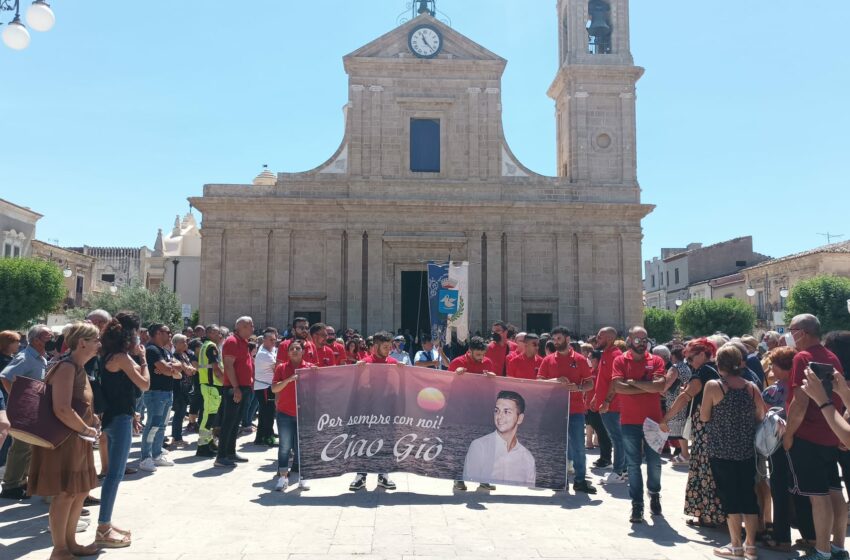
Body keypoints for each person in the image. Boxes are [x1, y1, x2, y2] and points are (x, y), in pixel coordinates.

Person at [27, 322, 100, 559]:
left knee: (79, 491)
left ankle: (71, 543)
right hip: (65, 439)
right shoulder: (67, 367)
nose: (99, 344)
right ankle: (59, 549)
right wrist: (86, 428)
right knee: (66, 493)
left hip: (78, 438)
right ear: (82, 343)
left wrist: (92, 421)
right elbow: (62, 409)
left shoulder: (78, 367)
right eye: (96, 340)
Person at [781, 314, 846, 560]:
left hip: (807, 436)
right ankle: (838, 547)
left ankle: (822, 551)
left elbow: (799, 403)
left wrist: (788, 435)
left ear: (803, 332)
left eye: (791, 330)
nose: (789, 334)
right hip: (830, 433)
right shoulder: (832, 357)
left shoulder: (803, 357)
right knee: (834, 491)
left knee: (818, 497)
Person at [700, 345, 765, 560]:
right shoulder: (751, 387)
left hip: (721, 451)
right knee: (748, 496)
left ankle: (736, 546)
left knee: (730, 499)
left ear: (719, 364)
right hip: (746, 451)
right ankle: (751, 546)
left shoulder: (714, 385)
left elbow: (705, 416)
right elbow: (760, 415)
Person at [97, 313, 150, 548]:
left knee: (112, 474)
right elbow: (145, 384)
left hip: (113, 415)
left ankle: (106, 522)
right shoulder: (122, 357)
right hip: (119, 418)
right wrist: (144, 359)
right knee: (114, 475)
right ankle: (103, 527)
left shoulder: (107, 354)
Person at [661, 337, 725, 528]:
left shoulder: (702, 372)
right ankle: (711, 514)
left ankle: (707, 515)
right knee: (707, 469)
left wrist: (666, 417)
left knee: (704, 470)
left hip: (704, 426)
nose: (688, 360)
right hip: (712, 425)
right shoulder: (710, 370)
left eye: (692, 356)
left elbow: (685, 397)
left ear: (704, 353)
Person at [612, 326, 666, 523]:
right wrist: (646, 387)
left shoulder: (656, 360)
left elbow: (660, 386)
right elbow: (618, 387)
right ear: (629, 340)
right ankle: (637, 504)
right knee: (633, 465)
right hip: (629, 421)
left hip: (653, 421)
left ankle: (654, 493)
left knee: (655, 464)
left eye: (645, 339)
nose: (642, 343)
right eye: (638, 339)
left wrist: (633, 382)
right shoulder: (620, 360)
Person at [538, 326, 596, 494]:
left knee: (578, 446)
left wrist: (577, 387)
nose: (556, 342)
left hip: (575, 410)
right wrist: (555, 381)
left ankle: (580, 480)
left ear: (567, 339)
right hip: (554, 410)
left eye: (559, 339)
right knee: (556, 445)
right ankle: (558, 479)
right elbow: (539, 382)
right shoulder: (547, 360)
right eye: (554, 339)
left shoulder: (579, 359)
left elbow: (590, 383)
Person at [0, 324, 52, 500]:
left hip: (34, 408)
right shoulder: (26, 357)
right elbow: (5, 377)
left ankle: (21, 482)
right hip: (24, 409)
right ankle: (11, 485)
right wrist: (17, 401)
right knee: (20, 447)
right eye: (47, 337)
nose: (51, 340)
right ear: (36, 340)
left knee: (28, 447)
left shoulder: (40, 358)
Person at [350, 331, 400, 491]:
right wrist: (355, 370)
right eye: (385, 347)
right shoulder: (364, 362)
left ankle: (383, 475)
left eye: (390, 346)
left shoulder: (394, 363)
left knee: (386, 442)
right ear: (376, 346)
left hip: (387, 410)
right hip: (367, 410)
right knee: (363, 442)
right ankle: (361, 475)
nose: (388, 350)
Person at [760, 346, 798, 552]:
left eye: (773, 363)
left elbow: (761, 414)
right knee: (802, 490)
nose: (770, 367)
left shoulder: (773, 391)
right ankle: (810, 536)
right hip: (801, 443)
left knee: (780, 491)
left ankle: (782, 538)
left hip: (776, 445)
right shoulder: (800, 387)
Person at [448, 336, 497, 492]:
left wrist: (492, 378)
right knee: (461, 446)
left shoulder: (488, 363)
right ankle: (458, 479)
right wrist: (455, 376)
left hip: (482, 410)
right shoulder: (457, 362)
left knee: (485, 446)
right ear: (469, 351)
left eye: (483, 354)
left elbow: (493, 386)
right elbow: (446, 384)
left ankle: (484, 480)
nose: (481, 358)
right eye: (478, 355)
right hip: (461, 412)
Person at [462, 391, 536, 486]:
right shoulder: (479, 447)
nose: (499, 416)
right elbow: (469, 487)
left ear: (520, 418)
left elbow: (528, 496)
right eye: (497, 411)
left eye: (507, 412)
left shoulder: (527, 458)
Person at [270, 339, 312, 491]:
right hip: (285, 413)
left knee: (301, 446)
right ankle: (283, 477)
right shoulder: (281, 368)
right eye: (292, 348)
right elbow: (274, 389)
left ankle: (303, 477)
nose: (295, 350)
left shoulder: (309, 368)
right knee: (284, 447)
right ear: (288, 352)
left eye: (298, 348)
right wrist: (288, 380)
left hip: (303, 413)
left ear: (303, 351)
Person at [214, 317, 256, 468]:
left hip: (243, 387)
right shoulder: (232, 341)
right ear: (242, 327)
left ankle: (230, 452)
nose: (253, 328)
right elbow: (229, 366)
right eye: (251, 325)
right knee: (228, 422)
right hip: (234, 388)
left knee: (235, 422)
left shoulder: (243, 342)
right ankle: (221, 456)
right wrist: (236, 387)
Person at [139, 324, 181, 472]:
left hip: (167, 392)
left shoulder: (164, 350)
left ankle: (156, 454)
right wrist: (168, 368)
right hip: (155, 393)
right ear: (158, 333)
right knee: (153, 425)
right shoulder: (151, 350)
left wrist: (170, 367)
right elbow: (166, 369)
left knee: (162, 425)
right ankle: (146, 458)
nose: (170, 335)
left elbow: (178, 366)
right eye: (168, 332)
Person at [593, 326, 626, 483]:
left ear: (610, 339)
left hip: (612, 406)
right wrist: (595, 398)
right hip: (607, 405)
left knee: (617, 439)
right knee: (617, 438)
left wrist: (606, 402)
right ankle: (623, 470)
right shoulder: (606, 354)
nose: (596, 339)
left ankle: (619, 471)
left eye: (600, 337)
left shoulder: (615, 355)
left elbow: (615, 381)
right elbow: (603, 379)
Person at [196, 326, 224, 458]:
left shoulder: (205, 345)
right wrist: (225, 381)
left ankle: (209, 442)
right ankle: (203, 446)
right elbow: (216, 368)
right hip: (211, 385)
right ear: (210, 333)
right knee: (209, 416)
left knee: (210, 416)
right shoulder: (211, 346)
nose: (219, 335)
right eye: (217, 332)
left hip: (208, 384)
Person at [661, 344, 691, 463]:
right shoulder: (686, 367)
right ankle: (683, 453)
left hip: (674, 400)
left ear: (673, 356)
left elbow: (666, 385)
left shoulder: (674, 368)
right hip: (683, 399)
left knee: (678, 429)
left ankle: (684, 454)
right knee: (682, 428)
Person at [170, 333, 196, 448]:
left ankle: (178, 436)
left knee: (181, 413)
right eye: (183, 342)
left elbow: (192, 369)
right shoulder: (175, 356)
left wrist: (188, 368)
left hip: (186, 388)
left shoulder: (185, 355)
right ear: (175, 344)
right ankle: (176, 438)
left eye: (186, 341)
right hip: (179, 388)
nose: (186, 344)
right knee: (179, 413)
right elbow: (189, 371)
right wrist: (188, 368)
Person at [0, 330, 21, 472]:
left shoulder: (10, 359)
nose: (19, 344)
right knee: (4, 430)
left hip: (6, 399)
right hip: (4, 398)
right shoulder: (4, 361)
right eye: (16, 342)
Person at [252, 330, 278, 446]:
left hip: (266, 386)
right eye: (271, 340)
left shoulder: (271, 350)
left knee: (265, 413)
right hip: (264, 387)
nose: (274, 342)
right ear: (264, 340)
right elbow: (277, 367)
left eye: (275, 339)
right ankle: (267, 436)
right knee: (268, 413)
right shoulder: (263, 354)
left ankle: (261, 437)